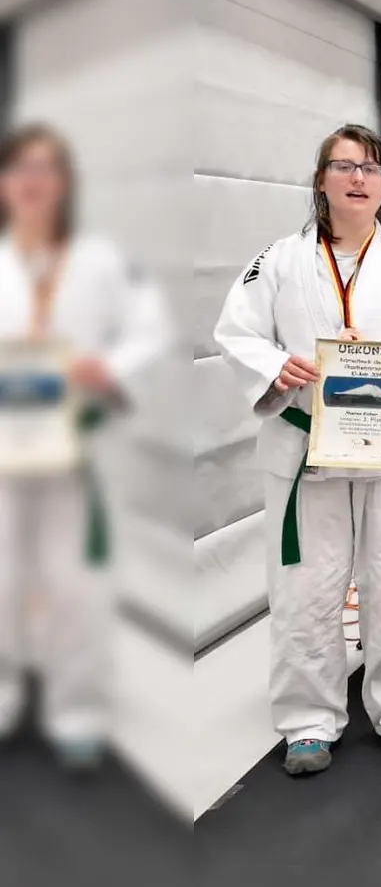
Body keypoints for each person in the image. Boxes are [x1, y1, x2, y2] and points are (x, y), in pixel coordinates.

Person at [214, 124, 381, 775]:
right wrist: (276, 367)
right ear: (321, 179)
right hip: (309, 447)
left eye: (371, 168)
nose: (358, 178)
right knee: (306, 587)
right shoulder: (278, 259)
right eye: (344, 166)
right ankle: (309, 718)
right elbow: (237, 331)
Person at [0, 124, 170, 767]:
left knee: (78, 581)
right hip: (5, 442)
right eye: (21, 168)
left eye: (47, 168)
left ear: (65, 183)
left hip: (82, 442)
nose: (33, 181)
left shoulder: (101, 260)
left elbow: (148, 331)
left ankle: (78, 708)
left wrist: (113, 368)